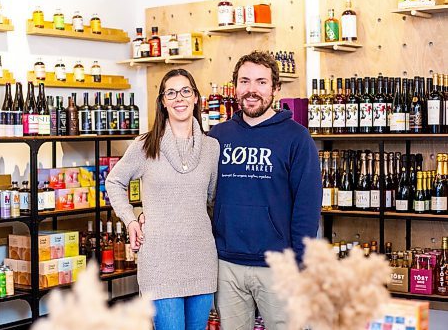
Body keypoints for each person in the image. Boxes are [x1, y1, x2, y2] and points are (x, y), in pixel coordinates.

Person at [207, 51, 322, 329]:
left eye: (261, 82)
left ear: (275, 89)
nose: (252, 90)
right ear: (235, 87)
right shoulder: (217, 136)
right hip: (227, 264)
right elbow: (202, 194)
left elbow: (307, 205)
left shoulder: (296, 137)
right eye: (245, 81)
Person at [105, 69, 220, 330]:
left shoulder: (212, 148)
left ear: (196, 98)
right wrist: (131, 221)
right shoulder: (145, 146)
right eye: (171, 92)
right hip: (160, 261)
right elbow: (114, 181)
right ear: (163, 102)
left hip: (201, 258)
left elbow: (212, 199)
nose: (179, 98)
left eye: (185, 91)